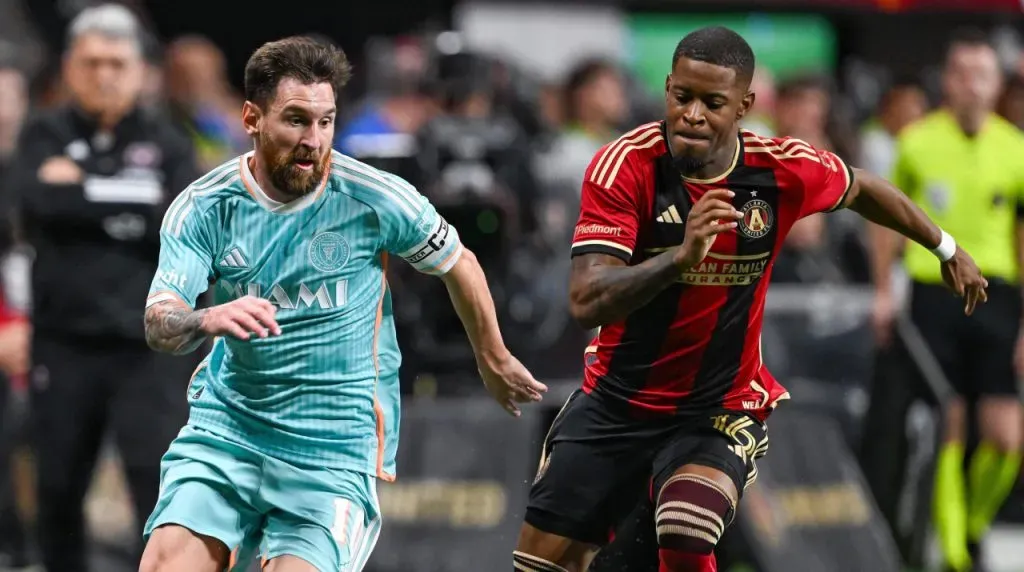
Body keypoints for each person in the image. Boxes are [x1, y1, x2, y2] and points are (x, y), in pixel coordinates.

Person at [512, 26, 988, 572]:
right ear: (667, 87)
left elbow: (863, 188)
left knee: (687, 529)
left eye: (712, 103)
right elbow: (585, 299)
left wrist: (946, 247)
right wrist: (678, 260)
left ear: (745, 105)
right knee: (538, 565)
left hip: (718, 407)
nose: (692, 114)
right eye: (681, 96)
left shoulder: (779, 169)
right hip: (617, 403)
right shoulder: (626, 166)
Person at [137, 36, 545, 572]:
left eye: (325, 122)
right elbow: (159, 322)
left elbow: (458, 261)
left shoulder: (372, 196)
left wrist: (491, 357)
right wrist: (205, 316)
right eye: (296, 120)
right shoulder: (205, 207)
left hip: (333, 448)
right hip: (228, 432)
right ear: (251, 118)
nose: (313, 140)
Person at [3, 5, 201, 571]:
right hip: (63, 345)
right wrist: (129, 200)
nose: (104, 75)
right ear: (69, 67)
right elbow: (37, 203)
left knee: (156, 491)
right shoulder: (43, 133)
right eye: (91, 63)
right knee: (57, 489)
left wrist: (84, 192)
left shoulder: (169, 141)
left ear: (141, 70)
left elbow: (180, 223)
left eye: (117, 63)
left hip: (149, 349)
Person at [870, 29, 1024, 572]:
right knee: (949, 423)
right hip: (934, 295)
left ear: (996, 83)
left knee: (1007, 438)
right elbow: (885, 223)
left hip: (999, 297)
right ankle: (956, 555)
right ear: (947, 79)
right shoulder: (916, 142)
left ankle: (974, 524)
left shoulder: (1016, 147)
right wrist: (884, 292)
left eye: (981, 74)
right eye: (960, 73)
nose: (970, 85)